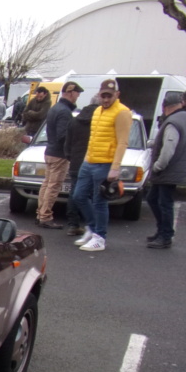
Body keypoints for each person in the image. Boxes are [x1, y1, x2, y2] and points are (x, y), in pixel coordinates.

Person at [71, 79, 132, 252]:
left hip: (105, 163)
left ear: (117, 95)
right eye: (103, 95)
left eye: (109, 96)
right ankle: (92, 228)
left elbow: (122, 142)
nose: (105, 99)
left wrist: (115, 167)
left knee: (100, 201)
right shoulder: (97, 111)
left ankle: (100, 237)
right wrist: (86, 158)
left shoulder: (122, 112)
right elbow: (93, 138)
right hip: (90, 161)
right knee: (79, 196)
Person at [146, 93, 186, 249]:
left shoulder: (173, 122)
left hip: (168, 170)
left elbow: (169, 147)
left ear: (166, 107)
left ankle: (165, 235)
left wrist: (158, 166)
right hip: (175, 168)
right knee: (153, 198)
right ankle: (162, 230)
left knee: (164, 202)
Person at [34, 81, 83, 229]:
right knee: (53, 186)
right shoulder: (64, 112)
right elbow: (63, 135)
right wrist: (71, 148)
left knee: (47, 184)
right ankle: (45, 216)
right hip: (59, 154)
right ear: (70, 93)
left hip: (50, 150)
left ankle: (40, 213)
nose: (77, 97)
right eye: (77, 94)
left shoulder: (55, 108)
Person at [63, 99, 98, 236]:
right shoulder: (100, 121)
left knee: (75, 193)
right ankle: (92, 224)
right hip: (94, 161)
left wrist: (70, 156)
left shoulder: (75, 120)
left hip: (76, 161)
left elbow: (67, 142)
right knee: (95, 195)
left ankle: (73, 224)